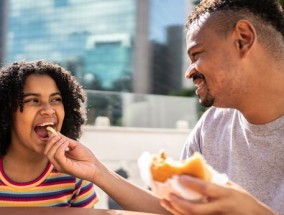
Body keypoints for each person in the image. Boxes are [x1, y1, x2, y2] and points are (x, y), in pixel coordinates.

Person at [44, 0, 283, 214]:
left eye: (197, 53)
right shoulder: (212, 125)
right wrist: (97, 171)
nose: (189, 72)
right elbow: (172, 210)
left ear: (243, 38)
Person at [0, 61, 98, 207]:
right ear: (7, 111)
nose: (48, 110)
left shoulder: (76, 175)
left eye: (55, 99)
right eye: (33, 100)